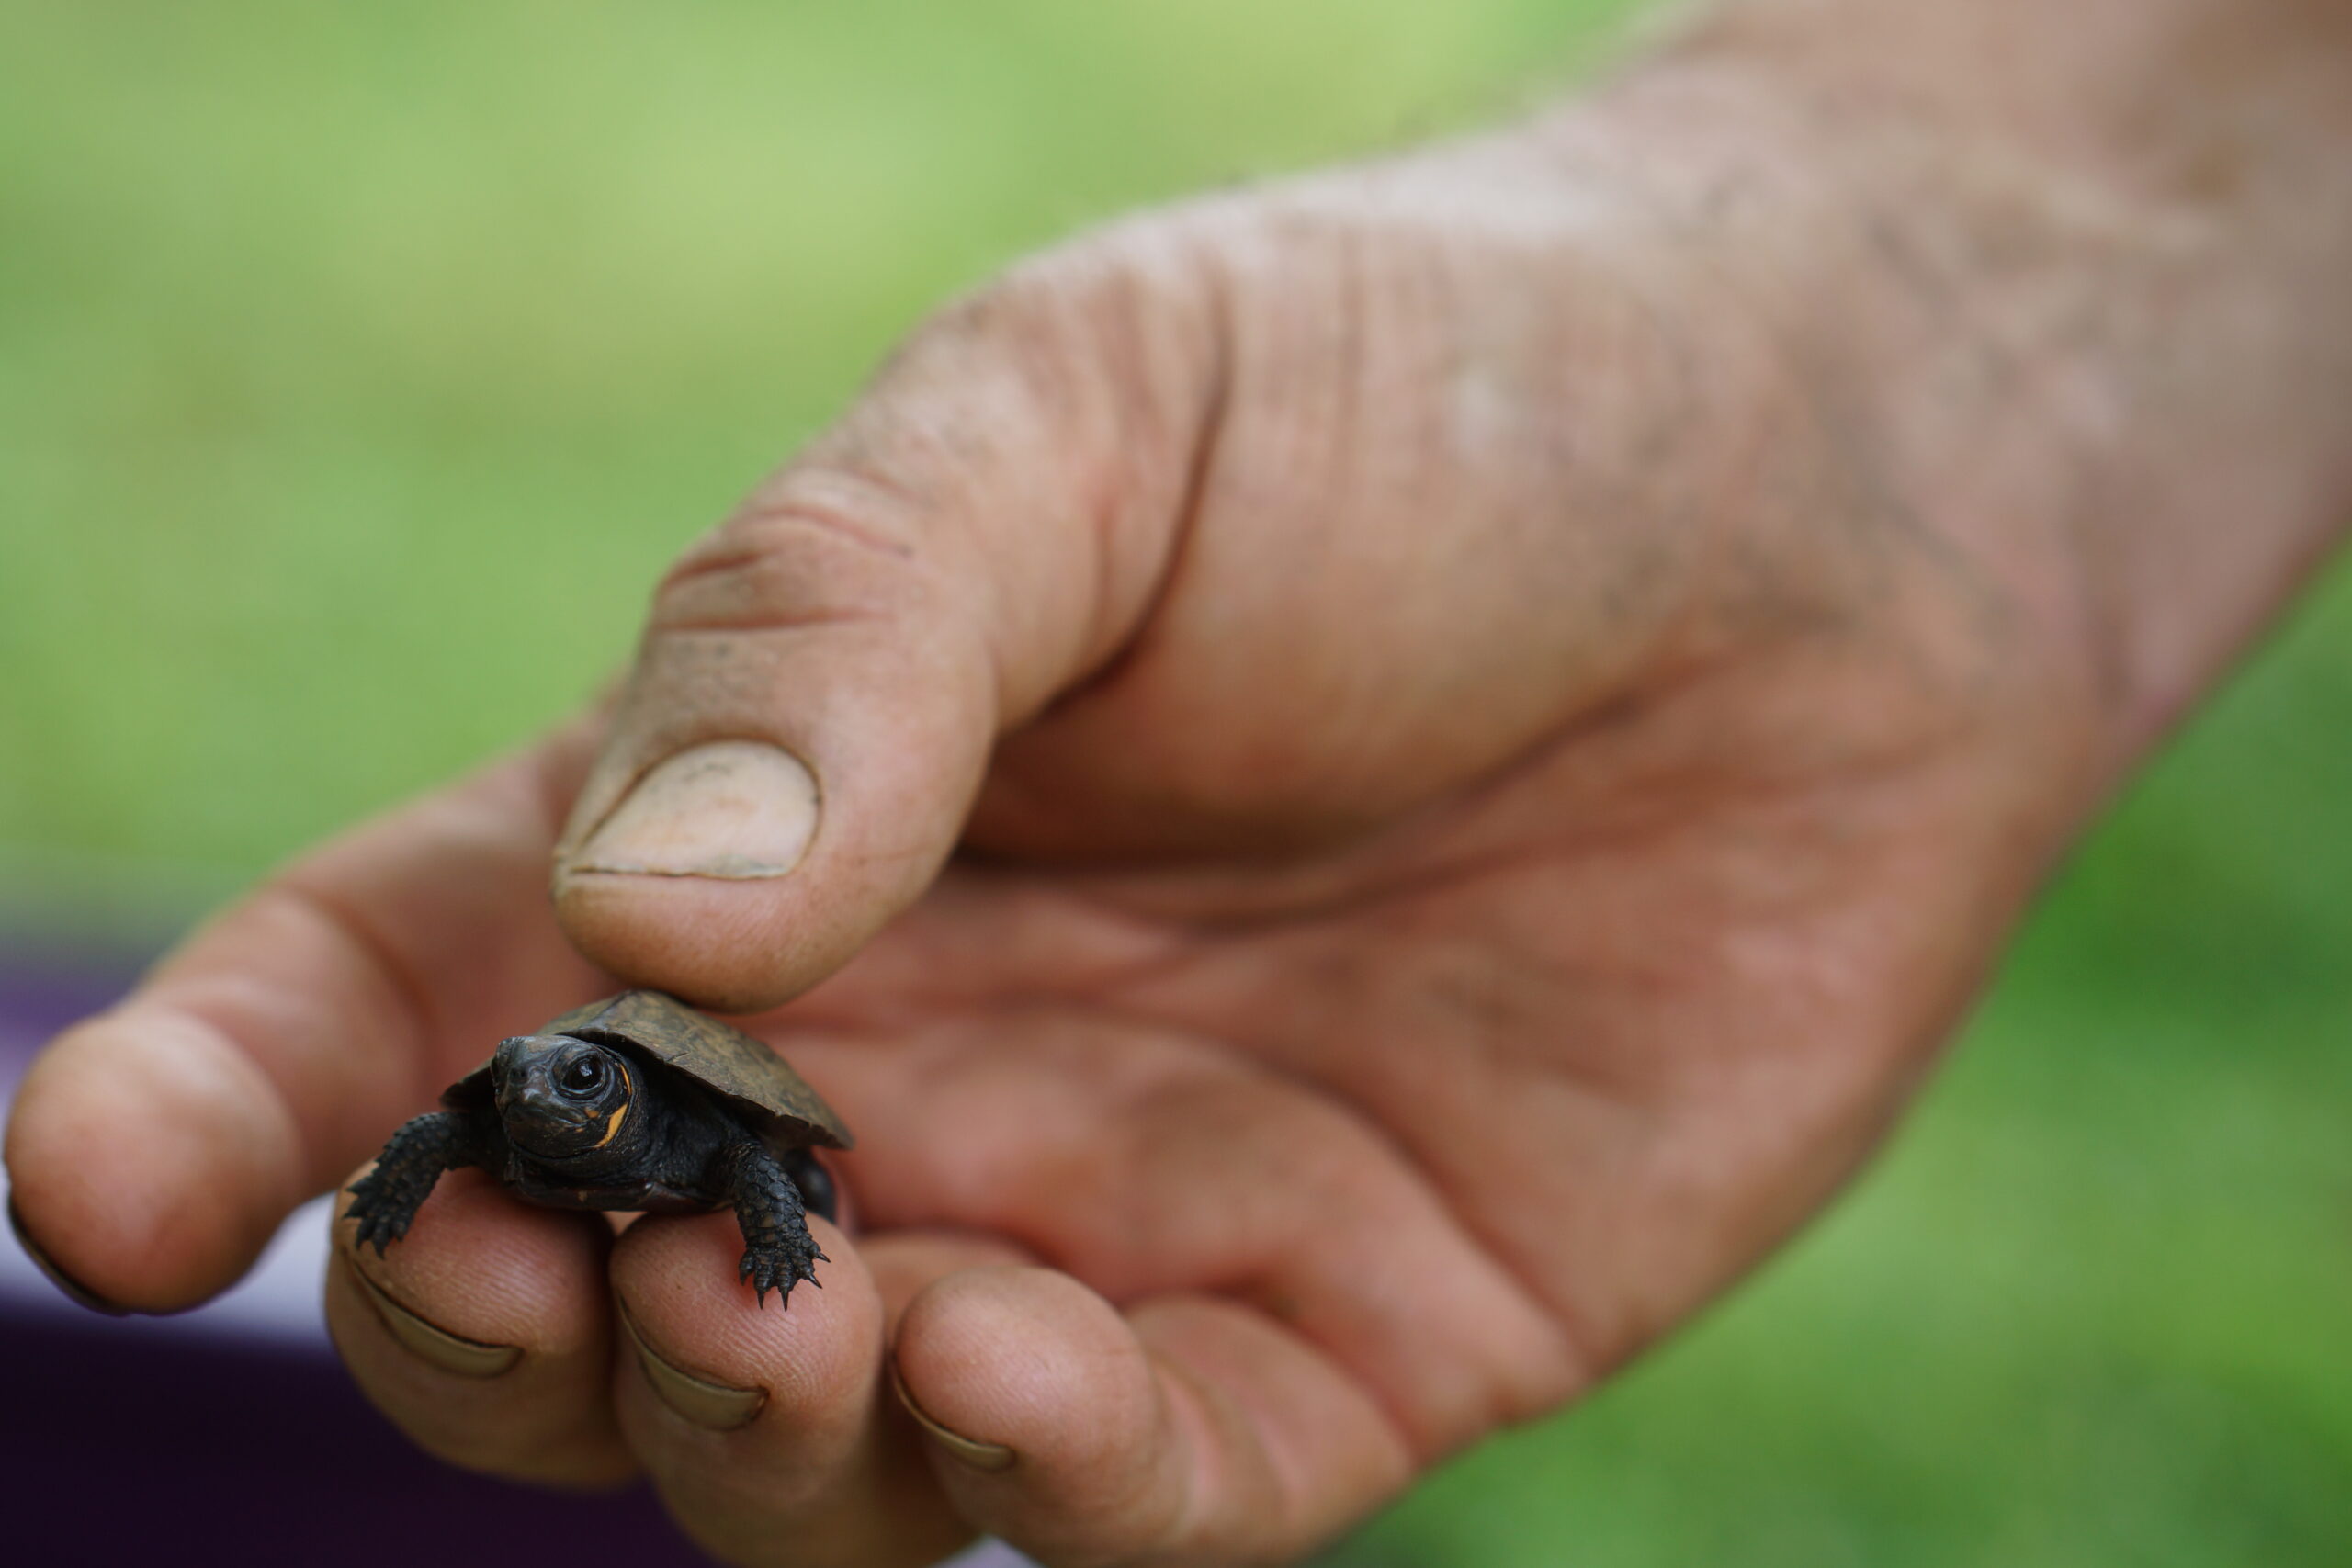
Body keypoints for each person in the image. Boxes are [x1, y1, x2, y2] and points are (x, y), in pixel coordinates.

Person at [8, 0, 2349, 1562]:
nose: (548, 1108)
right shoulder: (526, 1097)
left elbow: (736, 1132)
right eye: (542, 1103)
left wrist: (763, 1196)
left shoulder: (685, 1110)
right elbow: (470, 1116)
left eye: (565, 1105)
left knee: (775, 1304)